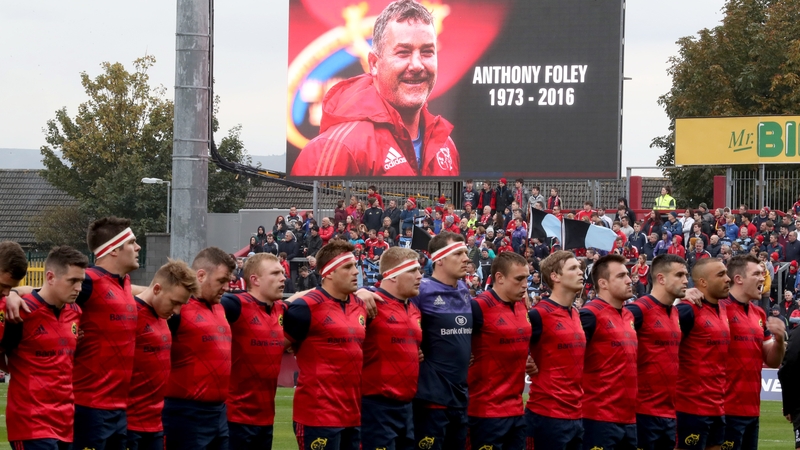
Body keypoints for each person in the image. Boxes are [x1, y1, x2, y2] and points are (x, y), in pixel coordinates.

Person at [290, 0, 459, 177]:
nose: (417, 65)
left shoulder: (445, 146)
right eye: (403, 52)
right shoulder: (335, 148)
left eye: (427, 52)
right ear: (374, 64)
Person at [283, 240, 367, 449]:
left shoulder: (361, 306)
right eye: (348, 267)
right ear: (328, 272)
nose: (356, 272)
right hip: (317, 416)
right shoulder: (305, 307)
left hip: (353, 415)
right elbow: (271, 347)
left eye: (355, 266)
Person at [1, 246, 87, 450]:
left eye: (81, 282)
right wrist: (21, 370)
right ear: (50, 277)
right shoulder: (20, 311)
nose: (79, 288)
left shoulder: (76, 312)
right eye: (73, 281)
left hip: (66, 423)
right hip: (31, 424)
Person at [163, 247, 235, 450]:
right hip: (185, 414)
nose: (226, 287)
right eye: (221, 280)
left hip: (219, 413)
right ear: (201, 276)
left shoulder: (221, 307)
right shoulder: (176, 308)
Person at [410, 231, 472, 449]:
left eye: (466, 252)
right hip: (431, 399)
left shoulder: (464, 290)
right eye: (459, 253)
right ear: (440, 259)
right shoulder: (421, 290)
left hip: (461, 398)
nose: (466, 258)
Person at [127, 260, 198, 450]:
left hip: (156, 425)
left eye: (181, 305)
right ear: (157, 289)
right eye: (174, 303)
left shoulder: (163, 315)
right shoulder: (130, 313)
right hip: (128, 425)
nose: (177, 311)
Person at [221, 253, 287, 450]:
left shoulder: (281, 309)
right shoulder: (235, 305)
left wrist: (364, 292)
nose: (283, 278)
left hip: (266, 419)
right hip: (234, 418)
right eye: (275, 273)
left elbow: (306, 298)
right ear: (255, 279)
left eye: (283, 273)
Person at [721, 255, 786, 450]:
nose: (762, 277)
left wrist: (780, 340)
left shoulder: (758, 313)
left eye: (763, 273)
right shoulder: (718, 308)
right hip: (724, 410)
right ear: (739, 279)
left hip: (751, 411)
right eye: (757, 273)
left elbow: (772, 361)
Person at [467, 251, 531, 449]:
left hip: (517, 411)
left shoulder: (522, 306)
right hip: (485, 412)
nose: (525, 285)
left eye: (527, 278)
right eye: (519, 279)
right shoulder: (478, 307)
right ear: (499, 278)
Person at [361, 247, 423, 449]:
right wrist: (356, 292)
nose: (420, 276)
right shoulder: (368, 303)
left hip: (407, 407)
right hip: (375, 406)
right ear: (392, 276)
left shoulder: (414, 308)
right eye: (413, 271)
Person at [624, 254, 687, 450]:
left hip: (668, 412)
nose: (686, 280)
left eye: (686, 275)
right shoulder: (638, 310)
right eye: (679, 275)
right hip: (641, 412)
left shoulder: (675, 312)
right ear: (661, 278)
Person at [525, 251, 587, 450]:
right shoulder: (538, 314)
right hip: (547, 415)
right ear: (555, 276)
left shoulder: (576, 313)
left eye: (580, 268)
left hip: (577, 414)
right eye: (573, 268)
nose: (580, 273)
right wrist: (525, 359)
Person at [579, 254, 638, 450]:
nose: (629, 280)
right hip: (597, 418)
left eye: (628, 275)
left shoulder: (629, 314)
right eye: (621, 276)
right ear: (603, 283)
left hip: (629, 418)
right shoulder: (589, 315)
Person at [675, 258, 731, 450]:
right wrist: (678, 298)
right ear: (703, 282)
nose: (728, 279)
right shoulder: (687, 309)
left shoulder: (723, 309)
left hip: (718, 406)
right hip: (690, 408)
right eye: (721, 274)